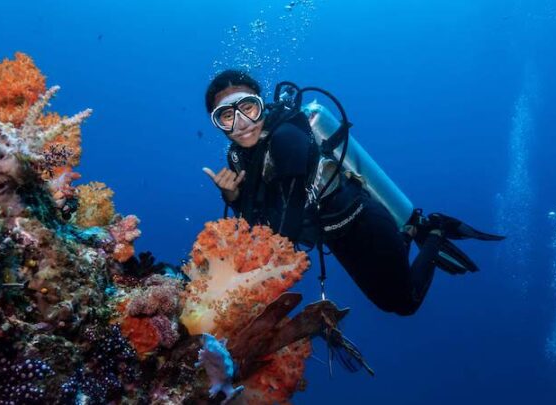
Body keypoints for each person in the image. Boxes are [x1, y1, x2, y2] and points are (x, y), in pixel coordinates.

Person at [202, 70, 504, 315]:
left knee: (403, 303)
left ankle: (435, 230)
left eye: (248, 108)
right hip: (334, 235)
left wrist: (257, 286)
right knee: (390, 300)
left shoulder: (286, 138)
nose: (241, 124)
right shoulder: (241, 156)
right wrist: (232, 197)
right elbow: (263, 216)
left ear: (261, 105)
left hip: (363, 223)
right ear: (217, 124)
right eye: (226, 116)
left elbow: (287, 224)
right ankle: (411, 230)